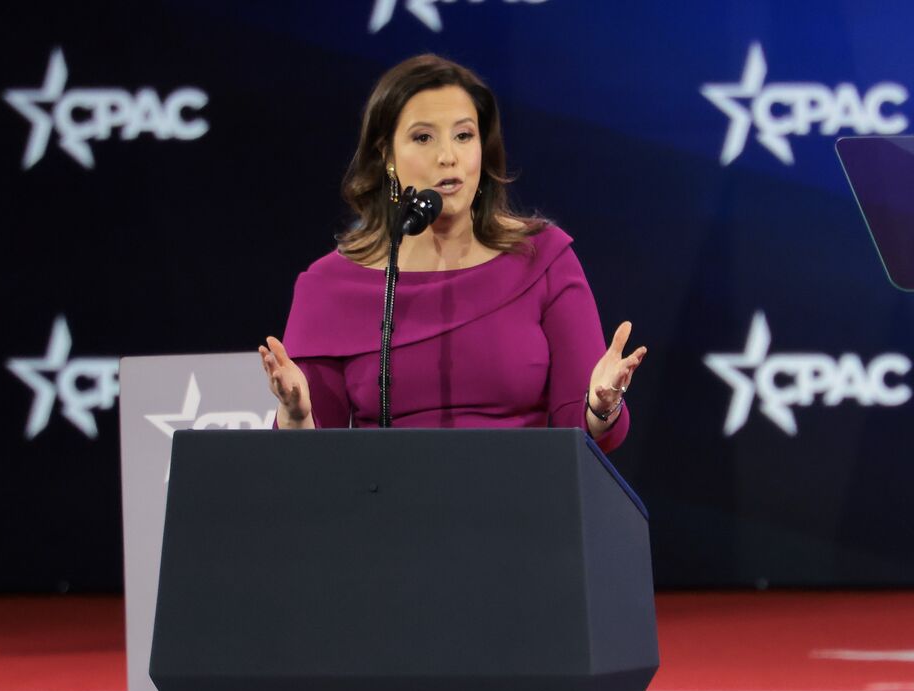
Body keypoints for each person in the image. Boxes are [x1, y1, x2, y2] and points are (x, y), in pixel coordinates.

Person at [258, 54, 646, 451]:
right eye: (423, 137)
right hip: (384, 506)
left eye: (464, 136)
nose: (449, 156)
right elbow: (310, 464)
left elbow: (581, 432)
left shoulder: (543, 259)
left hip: (521, 503)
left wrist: (602, 407)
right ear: (387, 155)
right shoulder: (330, 286)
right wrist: (295, 416)